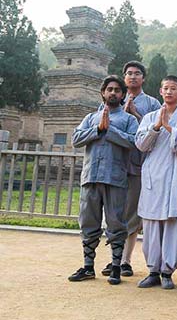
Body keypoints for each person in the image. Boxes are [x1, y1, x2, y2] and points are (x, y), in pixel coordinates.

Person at [68, 75, 138, 285]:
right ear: (103, 93)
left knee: (116, 223)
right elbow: (76, 139)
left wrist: (110, 129)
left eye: (117, 90)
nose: (113, 93)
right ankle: (88, 267)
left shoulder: (129, 120)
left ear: (123, 95)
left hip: (115, 178)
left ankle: (116, 267)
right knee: (88, 221)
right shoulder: (91, 117)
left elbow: (133, 142)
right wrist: (98, 129)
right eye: (109, 89)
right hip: (90, 177)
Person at [135, 75, 177, 290]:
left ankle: (167, 271)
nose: (169, 92)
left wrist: (170, 128)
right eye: (165, 88)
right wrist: (156, 127)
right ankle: (153, 270)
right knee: (151, 225)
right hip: (153, 174)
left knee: (173, 223)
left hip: (174, 176)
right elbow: (141, 145)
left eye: (173, 88)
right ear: (160, 92)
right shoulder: (150, 116)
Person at [100, 61, 160, 278]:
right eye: (129, 74)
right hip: (113, 164)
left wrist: (135, 114)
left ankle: (125, 261)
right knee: (113, 213)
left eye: (137, 74)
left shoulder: (152, 103)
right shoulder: (112, 99)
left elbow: (157, 132)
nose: (133, 77)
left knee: (132, 214)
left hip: (137, 165)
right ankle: (113, 259)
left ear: (143, 78)